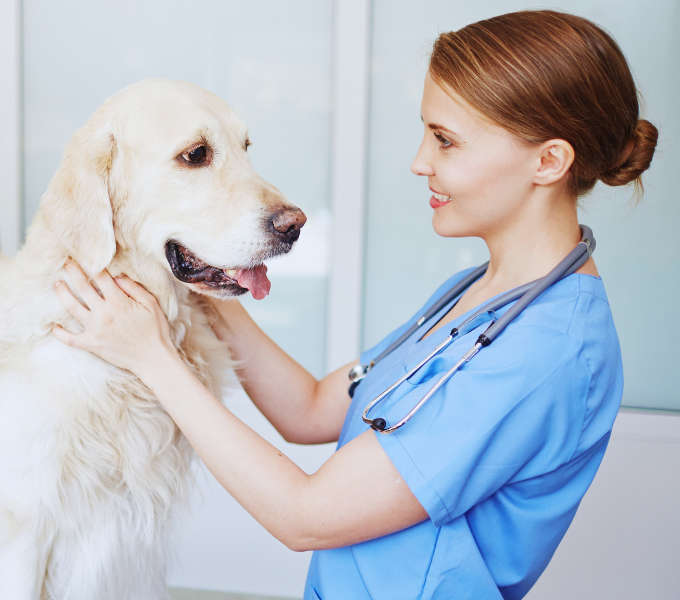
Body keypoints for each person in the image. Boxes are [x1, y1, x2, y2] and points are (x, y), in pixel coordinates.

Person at [51, 10, 655, 599]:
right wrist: (210, 283)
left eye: (445, 141)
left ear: (549, 160)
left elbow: (305, 516)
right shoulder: (479, 293)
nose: (421, 162)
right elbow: (311, 410)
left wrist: (154, 359)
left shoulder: (547, 352)